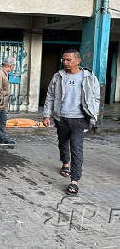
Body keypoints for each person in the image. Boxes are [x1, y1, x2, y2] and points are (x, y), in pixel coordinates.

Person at [43, 49, 100, 195]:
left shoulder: (89, 76)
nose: (65, 62)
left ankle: (74, 180)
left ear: (78, 61)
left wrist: (94, 115)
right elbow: (49, 96)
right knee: (63, 143)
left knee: (76, 148)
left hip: (79, 119)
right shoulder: (58, 76)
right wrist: (46, 115)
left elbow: (95, 97)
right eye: (64, 59)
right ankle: (65, 164)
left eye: (69, 60)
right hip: (61, 118)